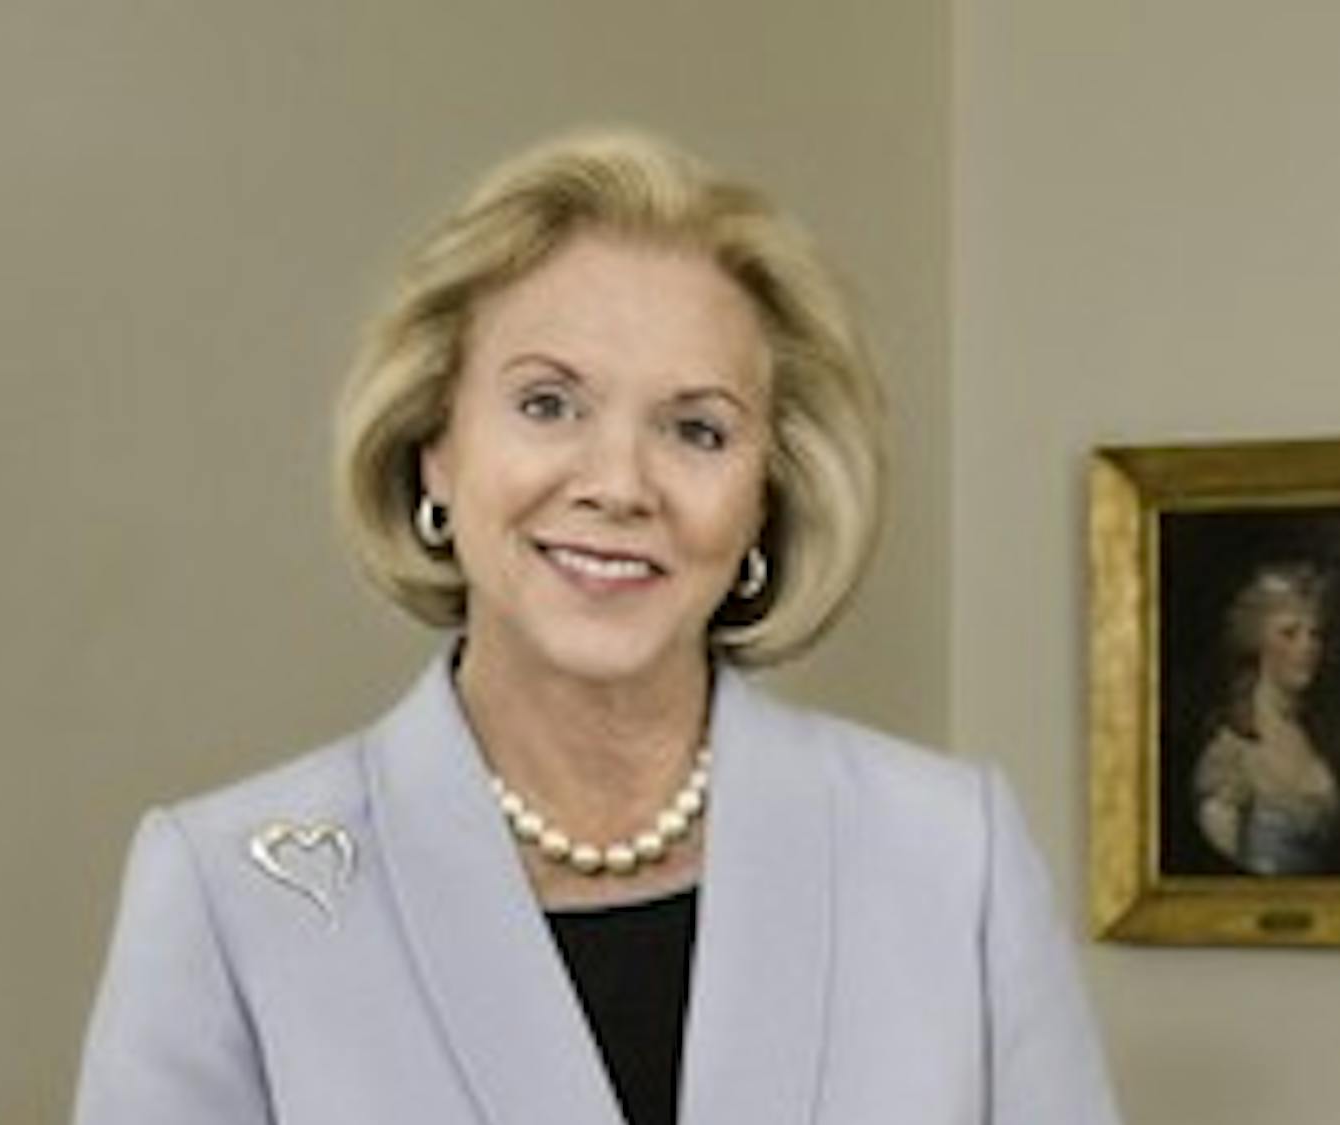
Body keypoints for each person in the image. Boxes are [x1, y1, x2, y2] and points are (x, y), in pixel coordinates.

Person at [74, 129, 1120, 1125]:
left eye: (696, 429)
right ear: (434, 446)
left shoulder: (952, 857)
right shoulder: (228, 893)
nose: (619, 484)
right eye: (548, 404)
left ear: (767, 492)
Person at [1194, 563, 1340, 875]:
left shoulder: (1317, 737)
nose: (1308, 647)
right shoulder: (1230, 754)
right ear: (1257, 643)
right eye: (1289, 634)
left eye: (1315, 634)